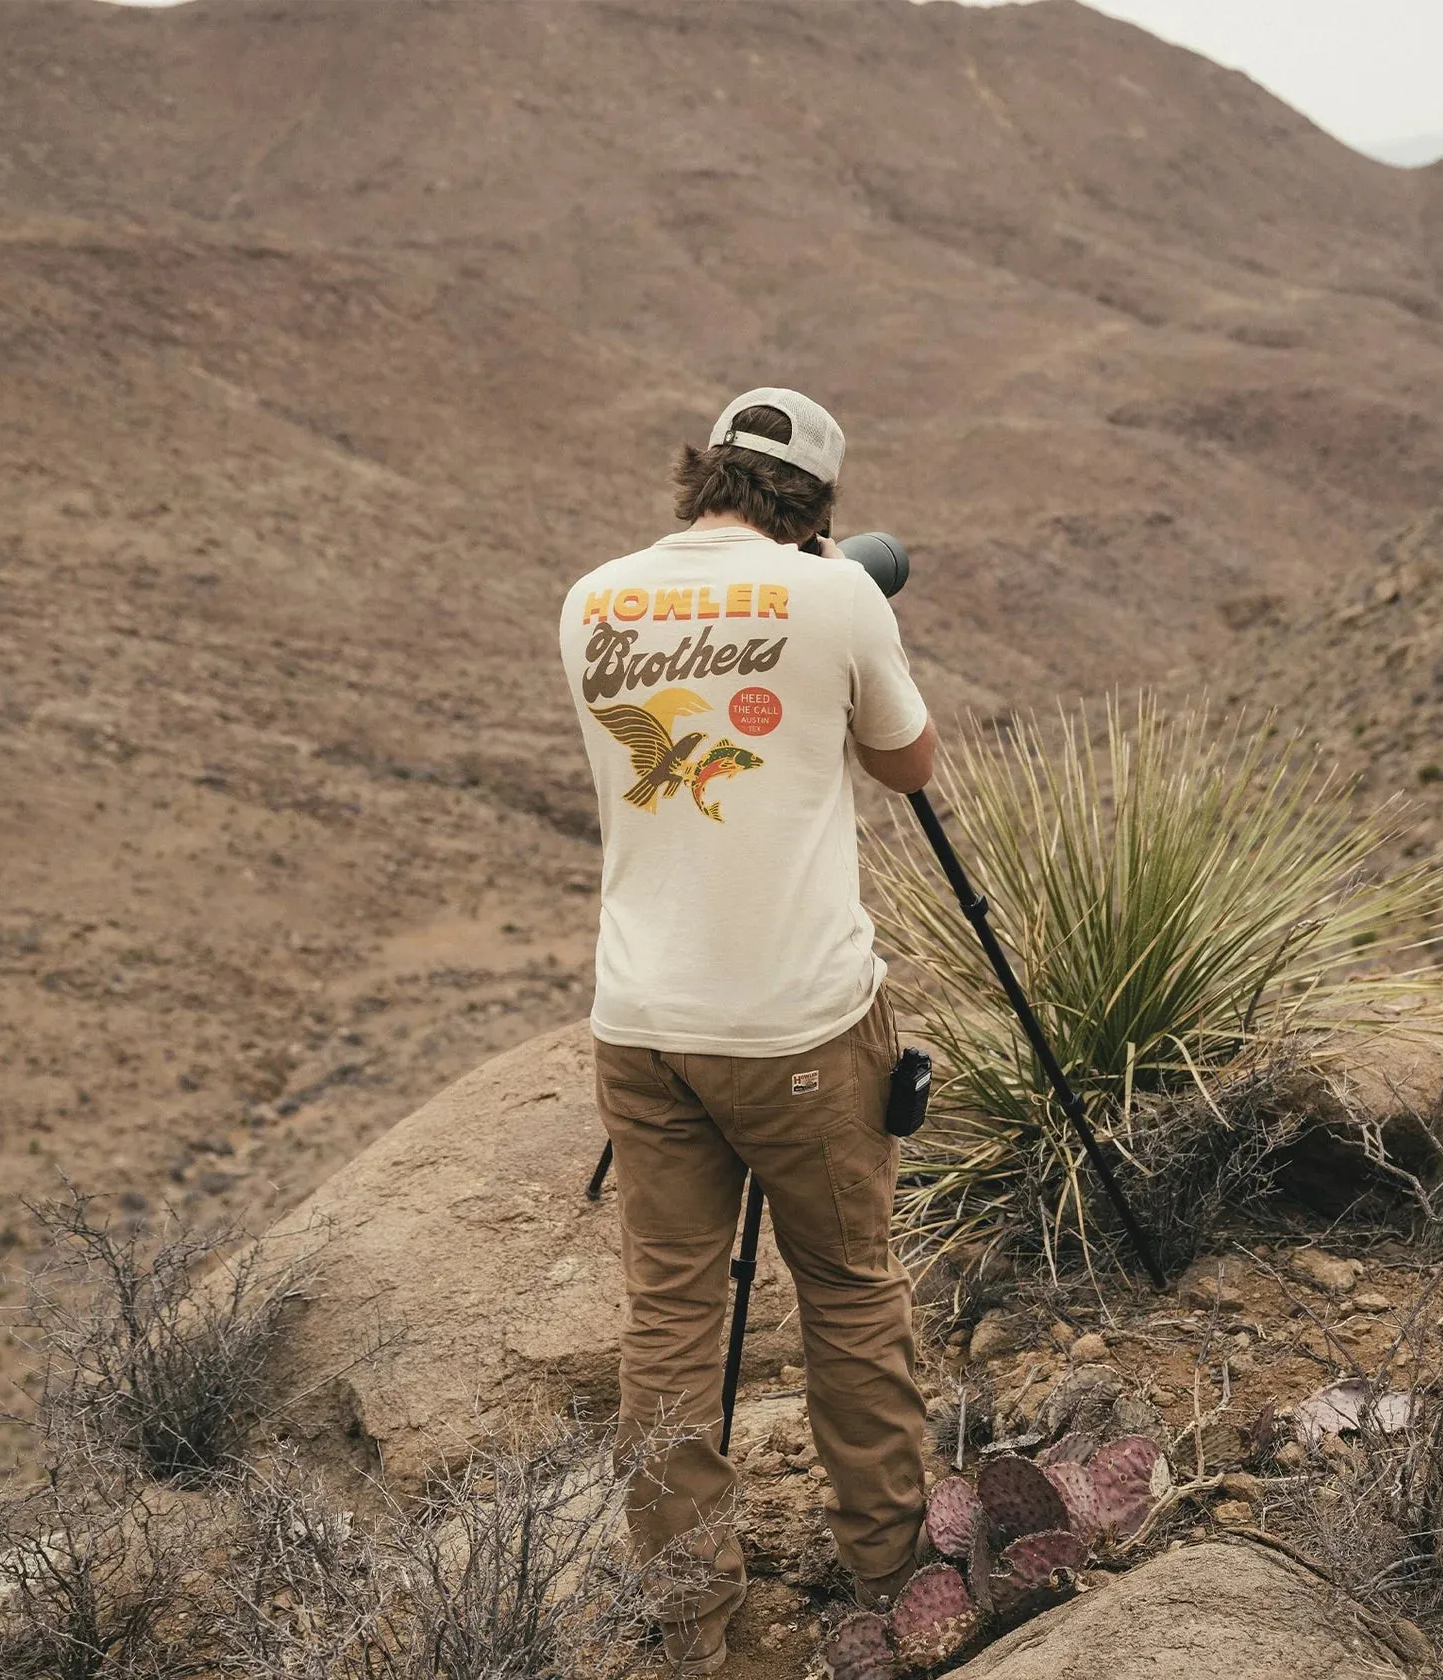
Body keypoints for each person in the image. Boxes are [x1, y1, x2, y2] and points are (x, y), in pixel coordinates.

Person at [559, 387, 936, 1674]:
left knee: (668, 1311)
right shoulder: (837, 598)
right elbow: (910, 763)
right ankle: (886, 1555)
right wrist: (838, 602)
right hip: (797, 1027)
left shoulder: (592, 597)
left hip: (642, 1022)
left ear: (704, 473)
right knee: (843, 1281)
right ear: (818, 507)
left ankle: (684, 1610)